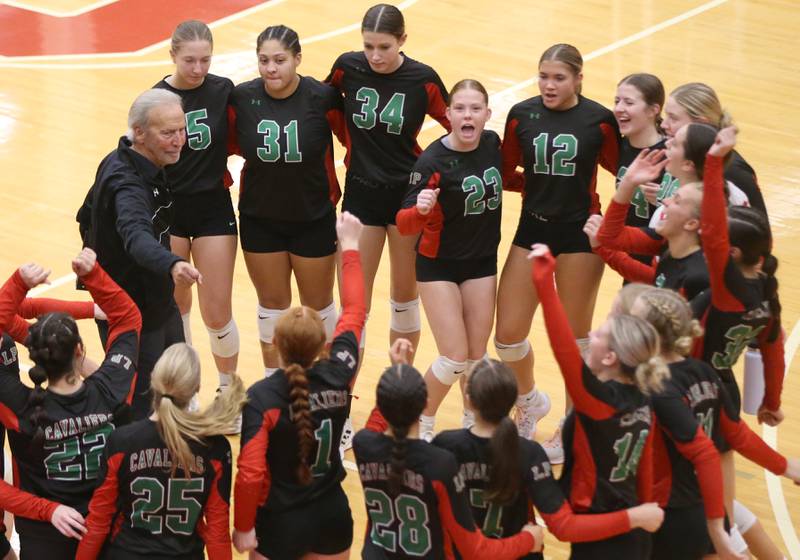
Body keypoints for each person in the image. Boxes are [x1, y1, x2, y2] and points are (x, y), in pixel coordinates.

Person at [496, 43, 619, 447]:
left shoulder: (598, 120)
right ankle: (530, 401)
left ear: (578, 79)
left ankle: (573, 424)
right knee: (508, 335)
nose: (549, 85)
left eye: (559, 78)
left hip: (578, 235)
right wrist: (528, 186)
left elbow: (624, 169)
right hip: (532, 228)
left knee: (576, 338)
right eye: (544, 76)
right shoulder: (522, 115)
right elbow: (503, 168)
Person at [432, 359, 664, 560]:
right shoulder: (529, 453)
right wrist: (633, 517)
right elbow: (563, 526)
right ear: (514, 401)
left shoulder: (445, 445)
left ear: (468, 398)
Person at [232, 212, 366, 560]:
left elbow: (250, 473)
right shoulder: (340, 371)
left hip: (280, 521)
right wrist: (349, 246)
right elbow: (355, 310)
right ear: (325, 346)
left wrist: (244, 526)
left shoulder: (262, 398)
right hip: (332, 514)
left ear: (274, 342)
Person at [630, 287, 800, 559]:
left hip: (669, 508)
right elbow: (736, 433)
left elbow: (703, 451)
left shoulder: (655, 389)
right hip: (702, 499)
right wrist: (784, 466)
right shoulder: (705, 372)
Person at [326, 3, 450, 363]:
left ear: (402, 41)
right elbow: (321, 104)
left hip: (406, 196)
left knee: (404, 301)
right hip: (361, 193)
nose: (375, 56)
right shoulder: (347, 67)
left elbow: (455, 125)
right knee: (354, 305)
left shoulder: (422, 78)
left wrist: (438, 175)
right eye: (368, 46)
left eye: (384, 47)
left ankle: (401, 392)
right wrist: (345, 141)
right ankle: (344, 398)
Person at [0, 248, 141, 559]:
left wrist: (17, 283)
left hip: (45, 534)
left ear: (33, 356)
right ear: (80, 351)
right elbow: (129, 318)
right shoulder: (112, 391)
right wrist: (94, 277)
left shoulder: (21, 408)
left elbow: (23, 309)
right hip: (107, 526)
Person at [529, 244, 667, 559]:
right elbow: (644, 473)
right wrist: (643, 514)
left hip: (603, 533)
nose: (590, 335)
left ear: (610, 357)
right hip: (633, 532)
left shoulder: (598, 401)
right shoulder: (644, 398)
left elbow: (563, 348)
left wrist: (545, 285)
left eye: (599, 335)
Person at [230, 24, 346, 379]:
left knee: (318, 311)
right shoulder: (241, 98)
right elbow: (227, 146)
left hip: (312, 217)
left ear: (297, 58)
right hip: (260, 218)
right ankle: (274, 392)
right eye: (263, 60)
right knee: (272, 311)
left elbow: (353, 144)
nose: (271, 68)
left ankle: (327, 392)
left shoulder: (321, 97)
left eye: (280, 60)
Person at [77, 88, 201, 419]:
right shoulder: (127, 182)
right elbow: (136, 237)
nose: (179, 140)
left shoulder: (124, 157)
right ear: (140, 133)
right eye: (168, 133)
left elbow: (85, 213)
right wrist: (172, 262)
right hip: (129, 310)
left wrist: (94, 252)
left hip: (158, 299)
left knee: (179, 386)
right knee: (138, 408)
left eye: (181, 130)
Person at [395, 79, 501, 440]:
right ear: (449, 114)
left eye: (475, 109)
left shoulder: (492, 144)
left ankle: (474, 424)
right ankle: (420, 420)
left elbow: (500, 181)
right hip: (438, 264)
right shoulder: (432, 160)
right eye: (460, 109)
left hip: (482, 260)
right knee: (454, 357)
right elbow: (404, 223)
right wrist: (421, 209)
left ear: (487, 114)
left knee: (475, 356)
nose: (467, 115)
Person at [353, 364, 543, 559]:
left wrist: (399, 374)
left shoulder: (362, 445)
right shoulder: (439, 463)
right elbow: (476, 549)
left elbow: (375, 424)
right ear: (426, 404)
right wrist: (528, 539)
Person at [76, 343, 245, 559]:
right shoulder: (215, 449)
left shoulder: (122, 441)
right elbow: (217, 533)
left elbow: (99, 521)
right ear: (197, 389)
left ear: (153, 380)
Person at [154, 20, 239, 396]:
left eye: (205, 60)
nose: (198, 69)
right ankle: (185, 392)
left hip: (212, 208)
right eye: (189, 60)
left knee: (217, 309)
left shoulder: (223, 90)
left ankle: (227, 390)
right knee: (176, 308)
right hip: (168, 210)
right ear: (173, 55)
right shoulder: (154, 100)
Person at [594, 124, 721, 302]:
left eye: (675, 143)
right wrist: (629, 183)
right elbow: (610, 237)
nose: (667, 143)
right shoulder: (683, 208)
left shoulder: (700, 270)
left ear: (688, 164)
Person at [662, 82, 766, 216]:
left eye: (673, 118)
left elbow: (760, 229)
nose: (664, 124)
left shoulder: (733, 170)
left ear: (700, 123)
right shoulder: (676, 152)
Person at [613, 74, 677, 240]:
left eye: (628, 102)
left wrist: (666, 203)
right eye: (617, 101)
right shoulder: (619, 144)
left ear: (653, 110)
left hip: (658, 249)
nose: (619, 108)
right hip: (626, 245)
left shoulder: (672, 153)